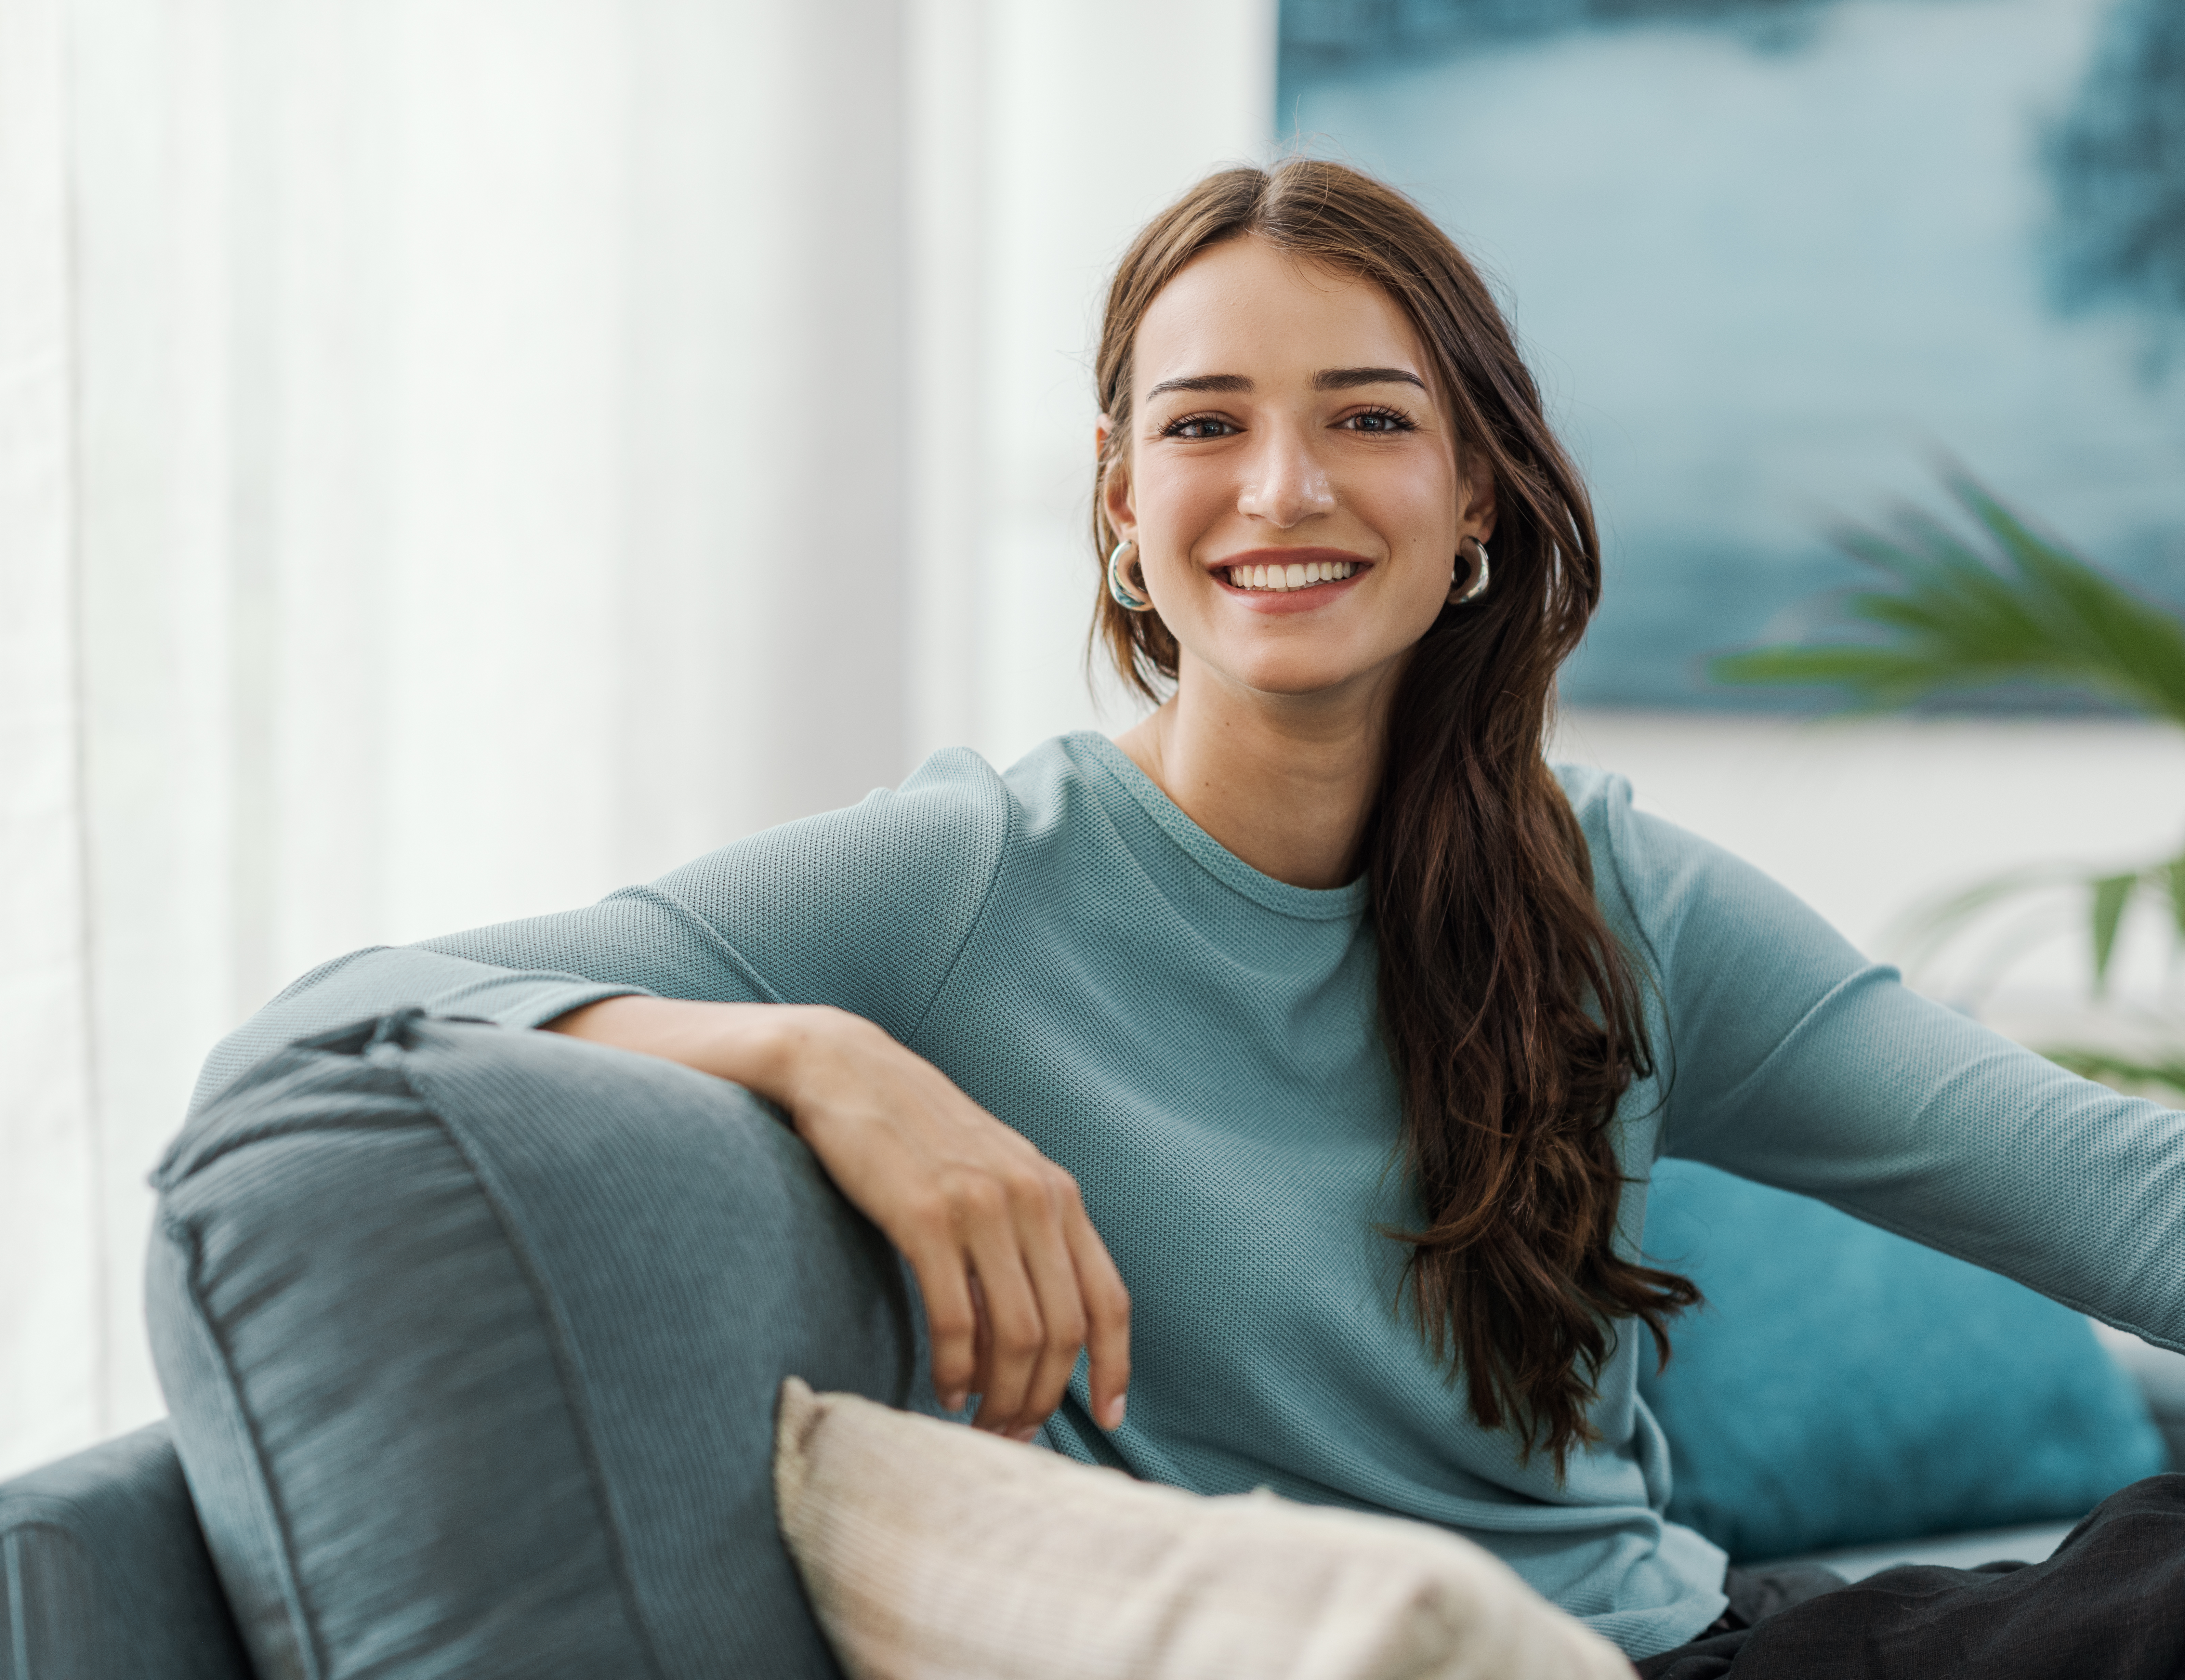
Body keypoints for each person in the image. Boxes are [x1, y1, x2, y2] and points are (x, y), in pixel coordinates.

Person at [200, 159, 2185, 1675]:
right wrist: (812, 1053)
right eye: (1207, 422)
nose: (1283, 487)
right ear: (1120, 494)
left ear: (1477, 492)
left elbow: (2106, 1188)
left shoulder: (1613, 889)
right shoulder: (968, 877)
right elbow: (329, 1017)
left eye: (1370, 419)